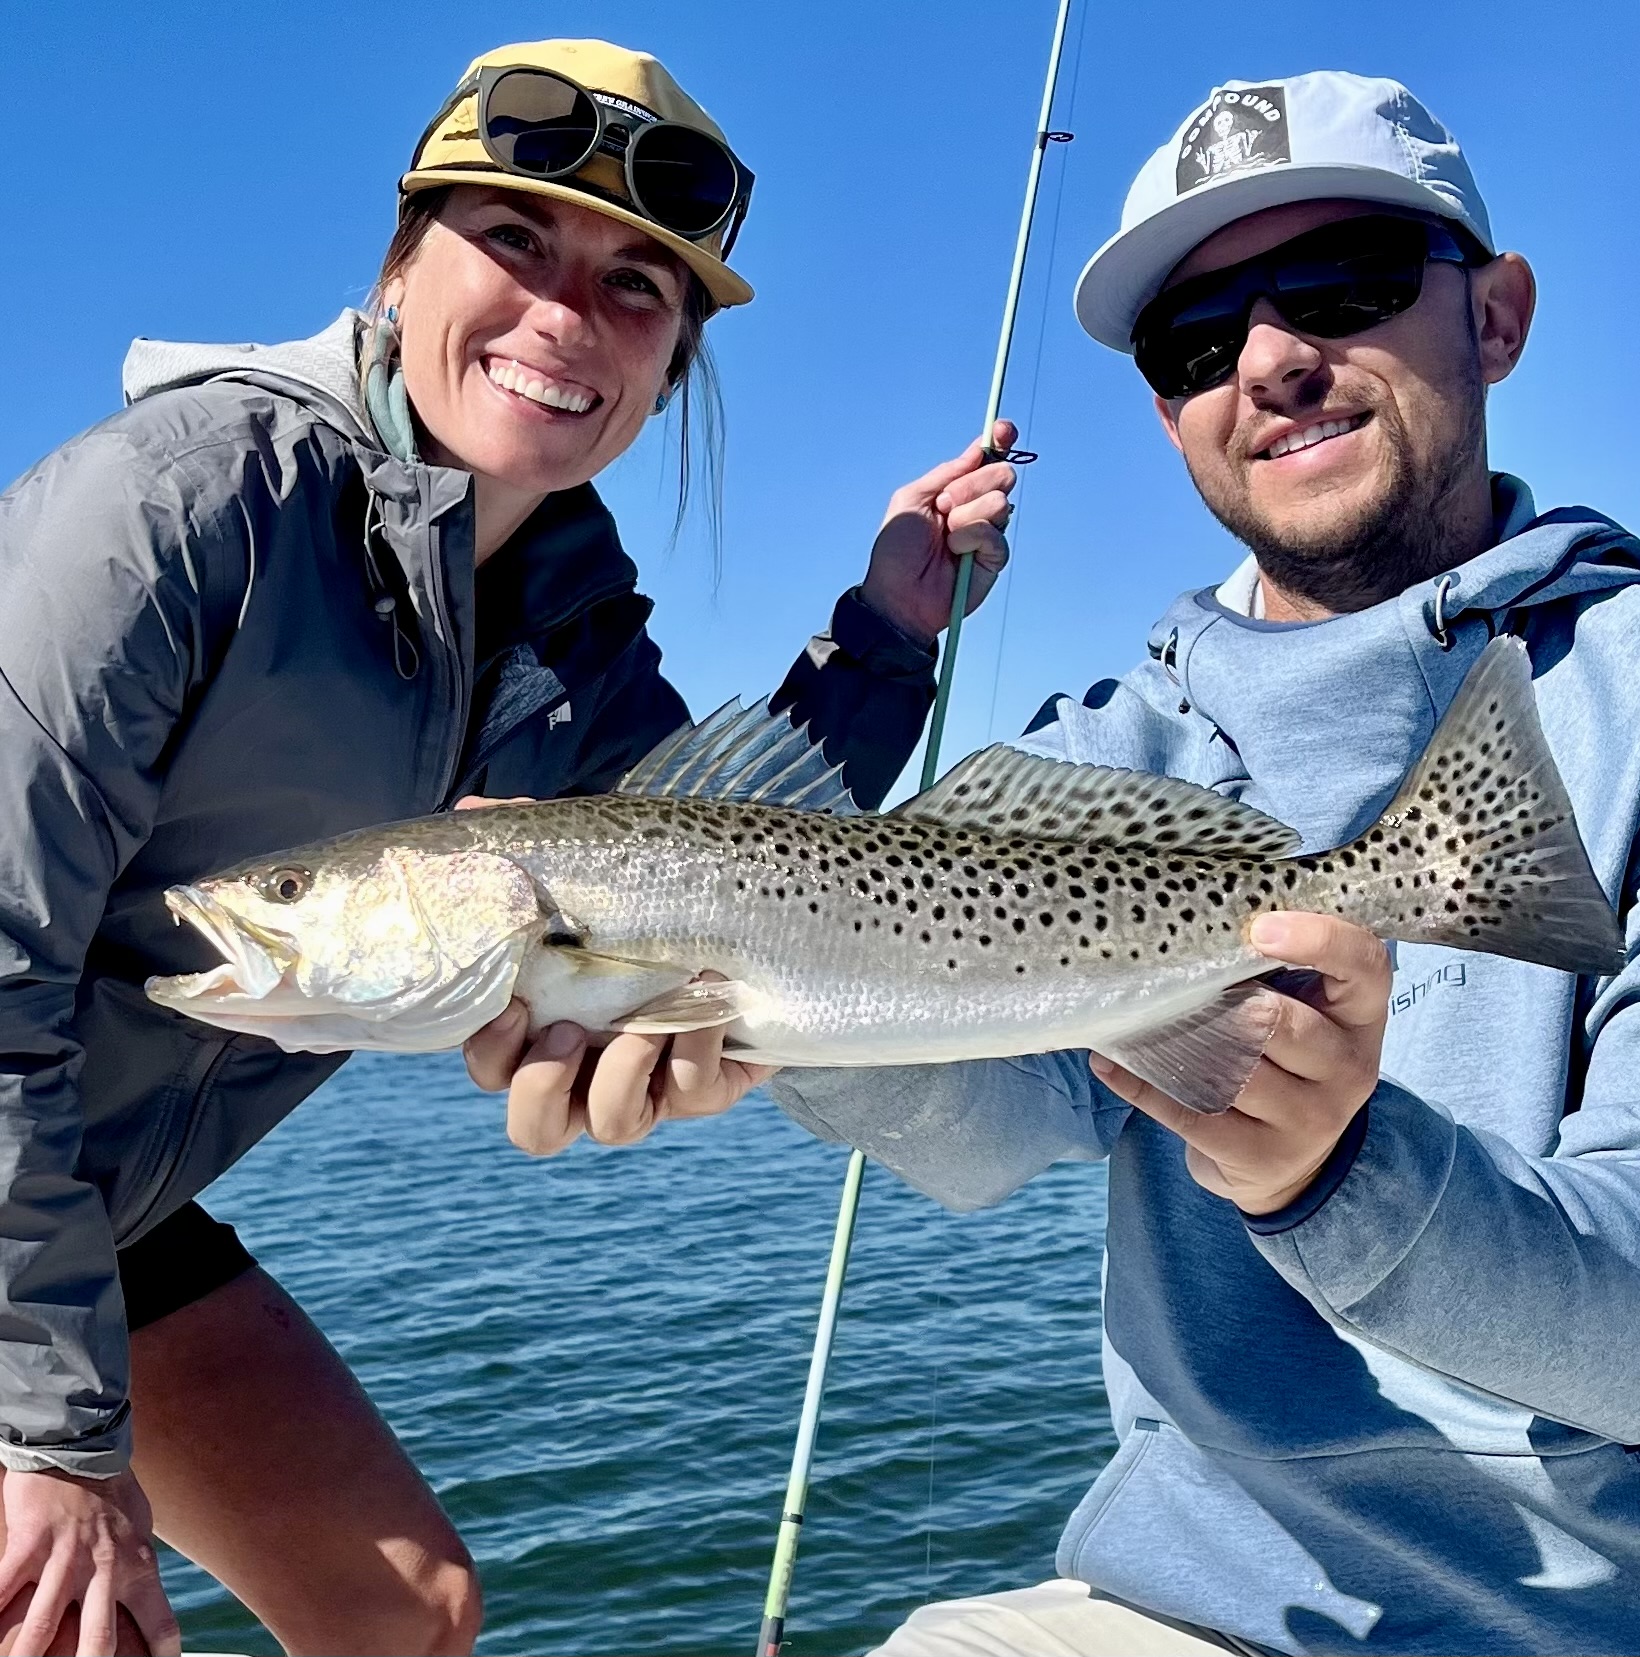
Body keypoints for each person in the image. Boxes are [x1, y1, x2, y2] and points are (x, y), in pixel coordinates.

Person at [0, 37, 1018, 1657]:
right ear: (403, 265)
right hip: (17, 1173)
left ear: (669, 363)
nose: (564, 313)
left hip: (108, 1203)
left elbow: (738, 860)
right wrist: (55, 1433)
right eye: (516, 241)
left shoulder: (565, 621)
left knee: (406, 1611)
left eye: (637, 287)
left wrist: (890, 629)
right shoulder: (170, 510)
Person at [761, 71, 1640, 1656]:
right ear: (1168, 409)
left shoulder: (1638, 697)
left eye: (1345, 287)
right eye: (1195, 342)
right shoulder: (1099, 751)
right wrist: (764, 1027)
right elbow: (979, 1117)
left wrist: (1339, 1175)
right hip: (1186, 1603)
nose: (1268, 361)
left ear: (1497, 317)